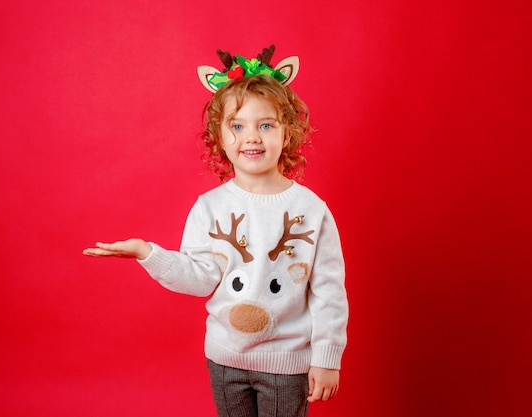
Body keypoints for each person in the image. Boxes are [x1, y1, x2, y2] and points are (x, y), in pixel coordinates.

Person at [84, 46, 348, 417]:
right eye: (237, 126)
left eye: (266, 125)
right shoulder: (209, 207)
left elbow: (329, 292)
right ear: (220, 138)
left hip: (288, 365)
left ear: (287, 133)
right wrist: (148, 252)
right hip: (225, 362)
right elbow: (199, 278)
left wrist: (326, 358)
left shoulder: (312, 211)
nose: (251, 137)